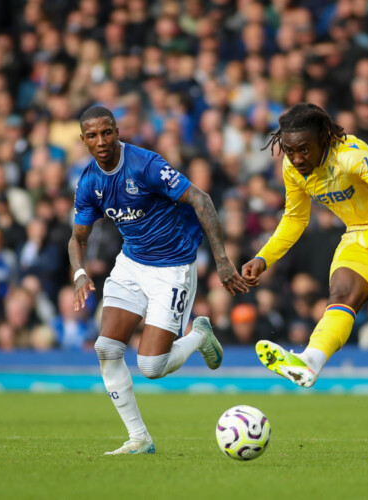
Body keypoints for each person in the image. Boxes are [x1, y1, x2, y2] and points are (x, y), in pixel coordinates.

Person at [242, 103, 368, 463]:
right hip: (359, 232)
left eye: (304, 149)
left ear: (324, 140)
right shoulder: (293, 168)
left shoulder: (351, 156)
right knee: (342, 295)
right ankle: (310, 361)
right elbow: (295, 218)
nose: (297, 158)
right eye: (290, 150)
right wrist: (263, 257)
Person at [69, 106, 248, 455]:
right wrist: (79, 273)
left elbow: (201, 198)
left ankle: (199, 335)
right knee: (106, 348)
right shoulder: (89, 181)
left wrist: (222, 260)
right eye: (92, 136)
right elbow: (77, 238)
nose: (101, 141)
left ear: (117, 131)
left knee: (151, 366)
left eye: (106, 132)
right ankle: (139, 438)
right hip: (131, 263)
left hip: (172, 267)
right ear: (83, 140)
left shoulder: (145, 165)